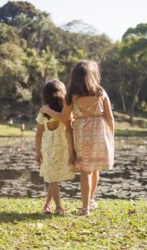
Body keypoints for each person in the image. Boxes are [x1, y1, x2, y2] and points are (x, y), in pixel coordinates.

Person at [40, 60, 114, 216]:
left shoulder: (72, 96)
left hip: (81, 134)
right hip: (100, 134)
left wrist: (47, 109)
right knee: (95, 169)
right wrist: (111, 137)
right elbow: (110, 118)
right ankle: (91, 200)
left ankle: (85, 208)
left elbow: (64, 118)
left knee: (85, 171)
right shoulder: (101, 92)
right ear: (93, 75)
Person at [35, 79, 75, 215]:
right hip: (57, 149)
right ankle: (56, 206)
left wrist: (38, 152)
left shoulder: (46, 112)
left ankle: (50, 205)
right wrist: (37, 153)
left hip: (52, 149)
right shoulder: (64, 111)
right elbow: (39, 135)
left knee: (53, 178)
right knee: (53, 178)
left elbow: (38, 135)